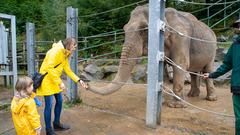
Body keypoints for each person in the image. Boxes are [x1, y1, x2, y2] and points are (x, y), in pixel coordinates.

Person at [36, 37, 88, 135]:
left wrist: (79, 80)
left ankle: (56, 123)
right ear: (69, 44)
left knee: (59, 101)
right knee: (49, 104)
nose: (75, 48)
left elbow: (68, 70)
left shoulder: (65, 53)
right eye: (74, 45)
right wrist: (60, 82)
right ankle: (48, 129)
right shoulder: (55, 51)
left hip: (55, 80)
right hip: (47, 79)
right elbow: (49, 68)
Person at [203, 19, 240, 135]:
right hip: (237, 87)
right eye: (238, 25)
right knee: (239, 119)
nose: (238, 27)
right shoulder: (235, 45)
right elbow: (227, 64)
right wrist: (212, 75)